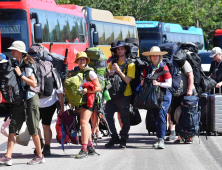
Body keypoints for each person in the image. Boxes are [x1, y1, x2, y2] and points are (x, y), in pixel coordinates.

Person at [0, 41, 45, 166]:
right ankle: (8, 157)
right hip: (20, 100)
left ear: (19, 51)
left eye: (13, 50)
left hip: (31, 99)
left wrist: (20, 76)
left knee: (33, 128)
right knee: (13, 127)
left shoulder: (28, 64)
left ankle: (40, 156)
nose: (12, 52)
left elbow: (34, 83)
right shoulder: (17, 63)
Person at [104, 41, 135, 149]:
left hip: (125, 95)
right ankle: (114, 137)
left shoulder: (130, 64)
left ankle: (123, 139)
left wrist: (118, 71)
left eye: (121, 49)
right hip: (112, 95)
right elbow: (109, 77)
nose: (119, 51)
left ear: (125, 50)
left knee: (124, 119)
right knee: (107, 115)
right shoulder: (113, 62)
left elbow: (127, 80)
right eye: (118, 49)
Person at [72, 51, 101, 159]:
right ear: (77, 61)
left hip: (89, 100)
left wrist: (87, 91)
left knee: (83, 122)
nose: (82, 60)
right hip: (79, 101)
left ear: (86, 60)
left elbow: (98, 88)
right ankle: (90, 146)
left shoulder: (90, 72)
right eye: (80, 59)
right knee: (85, 124)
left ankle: (83, 149)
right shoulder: (75, 71)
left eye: (84, 59)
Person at [142, 46, 172, 149]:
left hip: (165, 95)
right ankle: (159, 138)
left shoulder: (164, 67)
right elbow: (145, 79)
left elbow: (169, 84)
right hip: (154, 96)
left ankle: (161, 140)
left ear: (159, 57)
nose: (155, 57)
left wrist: (158, 83)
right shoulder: (148, 68)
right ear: (150, 57)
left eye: (157, 55)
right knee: (155, 116)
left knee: (161, 114)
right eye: (153, 55)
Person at [168, 56, 197, 144]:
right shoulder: (168, 63)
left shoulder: (184, 63)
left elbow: (190, 75)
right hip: (175, 94)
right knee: (176, 115)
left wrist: (189, 90)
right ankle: (181, 135)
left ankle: (189, 136)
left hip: (186, 92)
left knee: (188, 115)